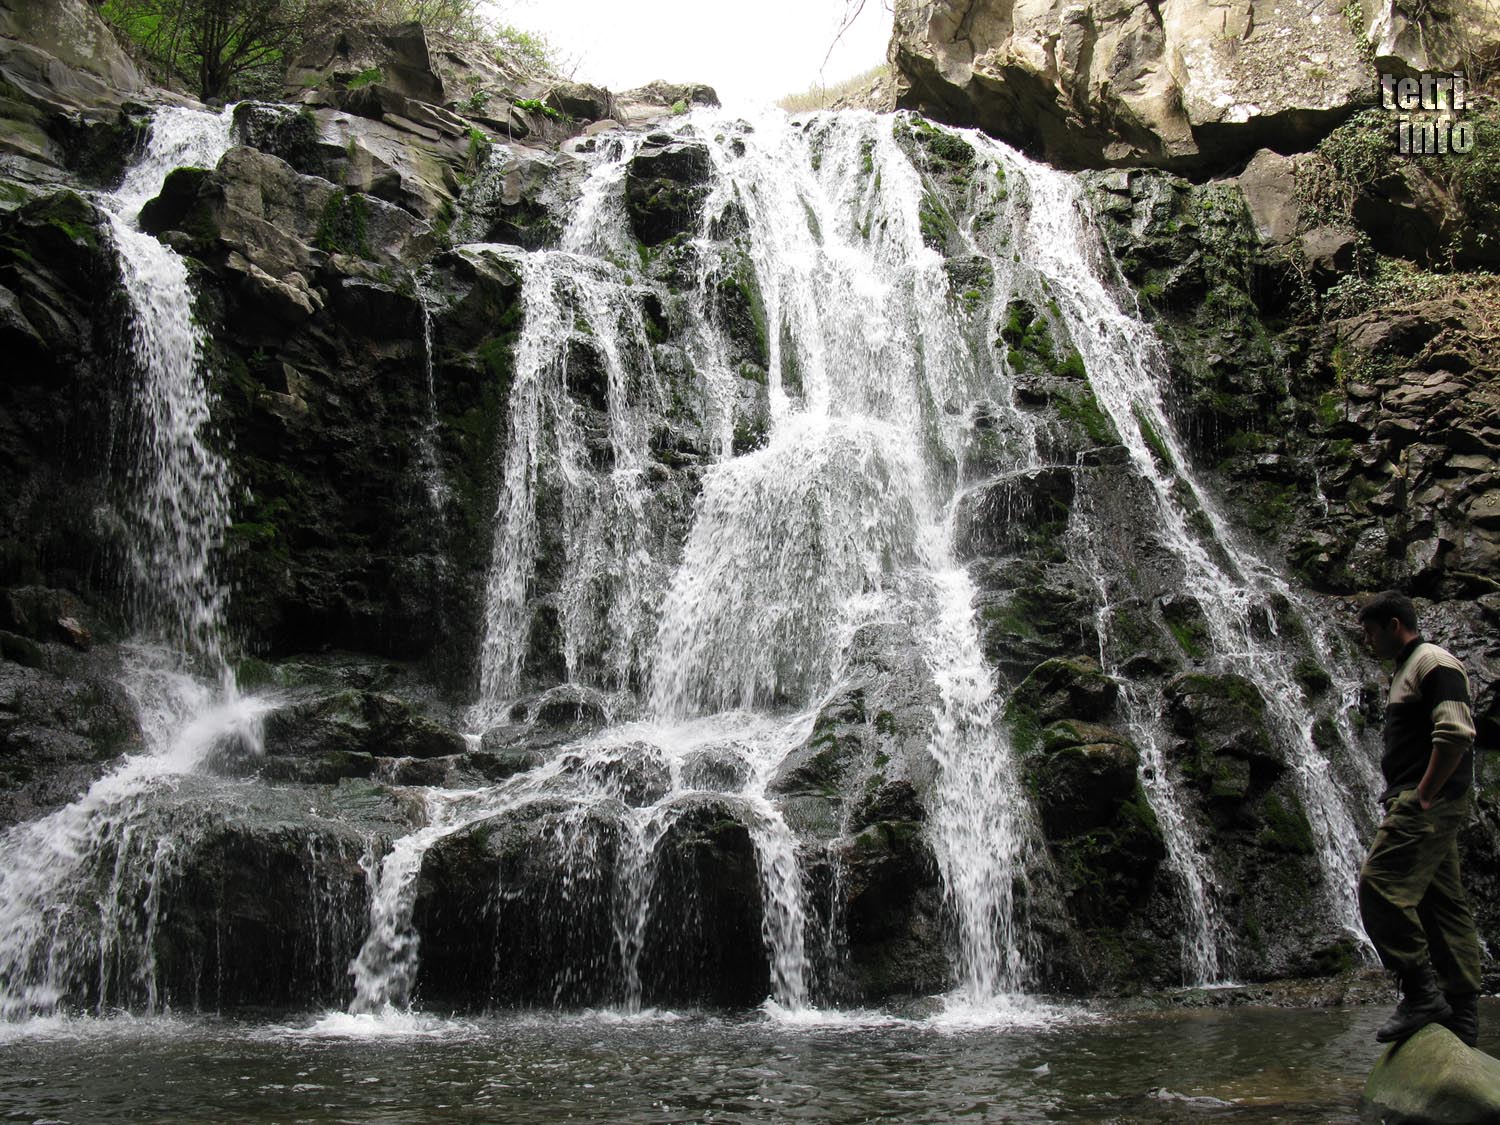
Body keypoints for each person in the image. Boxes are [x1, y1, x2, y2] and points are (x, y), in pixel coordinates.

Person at [1356, 589, 1482, 1048]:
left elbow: (1454, 730)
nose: (1367, 642)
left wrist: (1424, 794)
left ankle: (1420, 993)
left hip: (1426, 799)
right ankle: (1463, 1019)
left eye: (1370, 633)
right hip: (1423, 798)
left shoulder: (1432, 660)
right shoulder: (1407, 669)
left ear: (1394, 625)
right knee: (1442, 906)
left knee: (1379, 885)